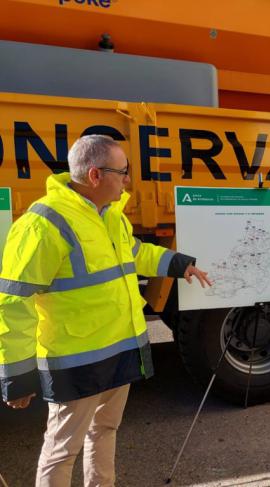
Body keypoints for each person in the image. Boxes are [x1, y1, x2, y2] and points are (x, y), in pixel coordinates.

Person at [0, 135, 211, 486]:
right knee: (61, 451)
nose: (128, 180)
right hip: (75, 360)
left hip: (118, 349)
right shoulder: (43, 224)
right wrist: (17, 375)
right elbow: (13, 302)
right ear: (96, 175)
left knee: (104, 430)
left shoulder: (110, 215)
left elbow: (134, 252)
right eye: (123, 172)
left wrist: (178, 264)